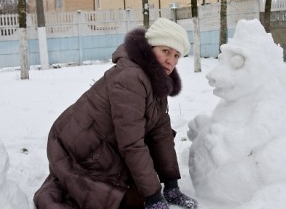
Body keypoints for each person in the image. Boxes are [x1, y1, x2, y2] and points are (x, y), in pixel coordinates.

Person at [33, 18, 198, 209]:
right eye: (166, 51)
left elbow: (160, 134)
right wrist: (153, 198)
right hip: (79, 148)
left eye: (177, 55)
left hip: (106, 143)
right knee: (131, 201)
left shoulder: (158, 80)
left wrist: (171, 186)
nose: (171, 60)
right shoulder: (131, 78)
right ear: (150, 48)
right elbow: (132, 143)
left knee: (141, 184)